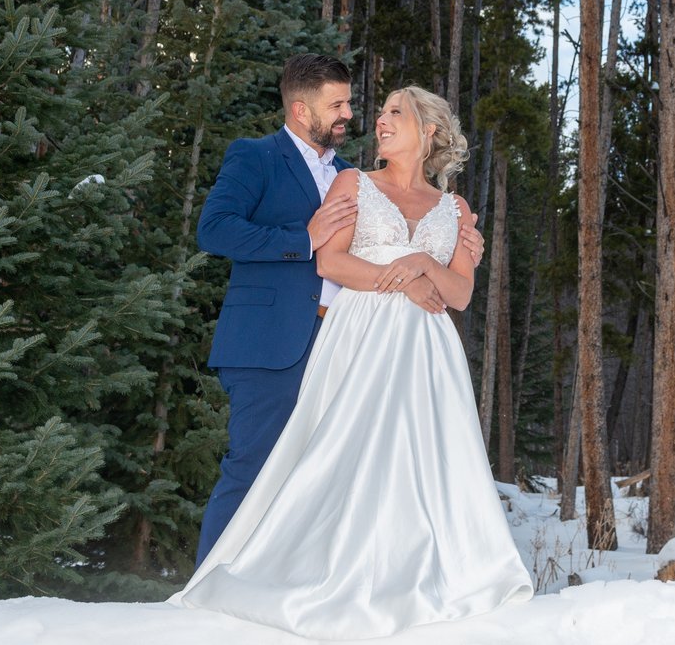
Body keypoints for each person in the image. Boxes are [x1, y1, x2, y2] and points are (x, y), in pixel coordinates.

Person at [177, 84, 533, 639]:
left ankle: (415, 577)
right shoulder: (353, 183)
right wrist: (402, 283)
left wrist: (421, 264)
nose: (379, 120)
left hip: (428, 352)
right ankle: (295, 574)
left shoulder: (457, 207)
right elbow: (332, 263)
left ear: (430, 131)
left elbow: (460, 294)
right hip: (362, 337)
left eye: (396, 113)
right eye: (381, 111)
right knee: (342, 455)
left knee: (420, 465)